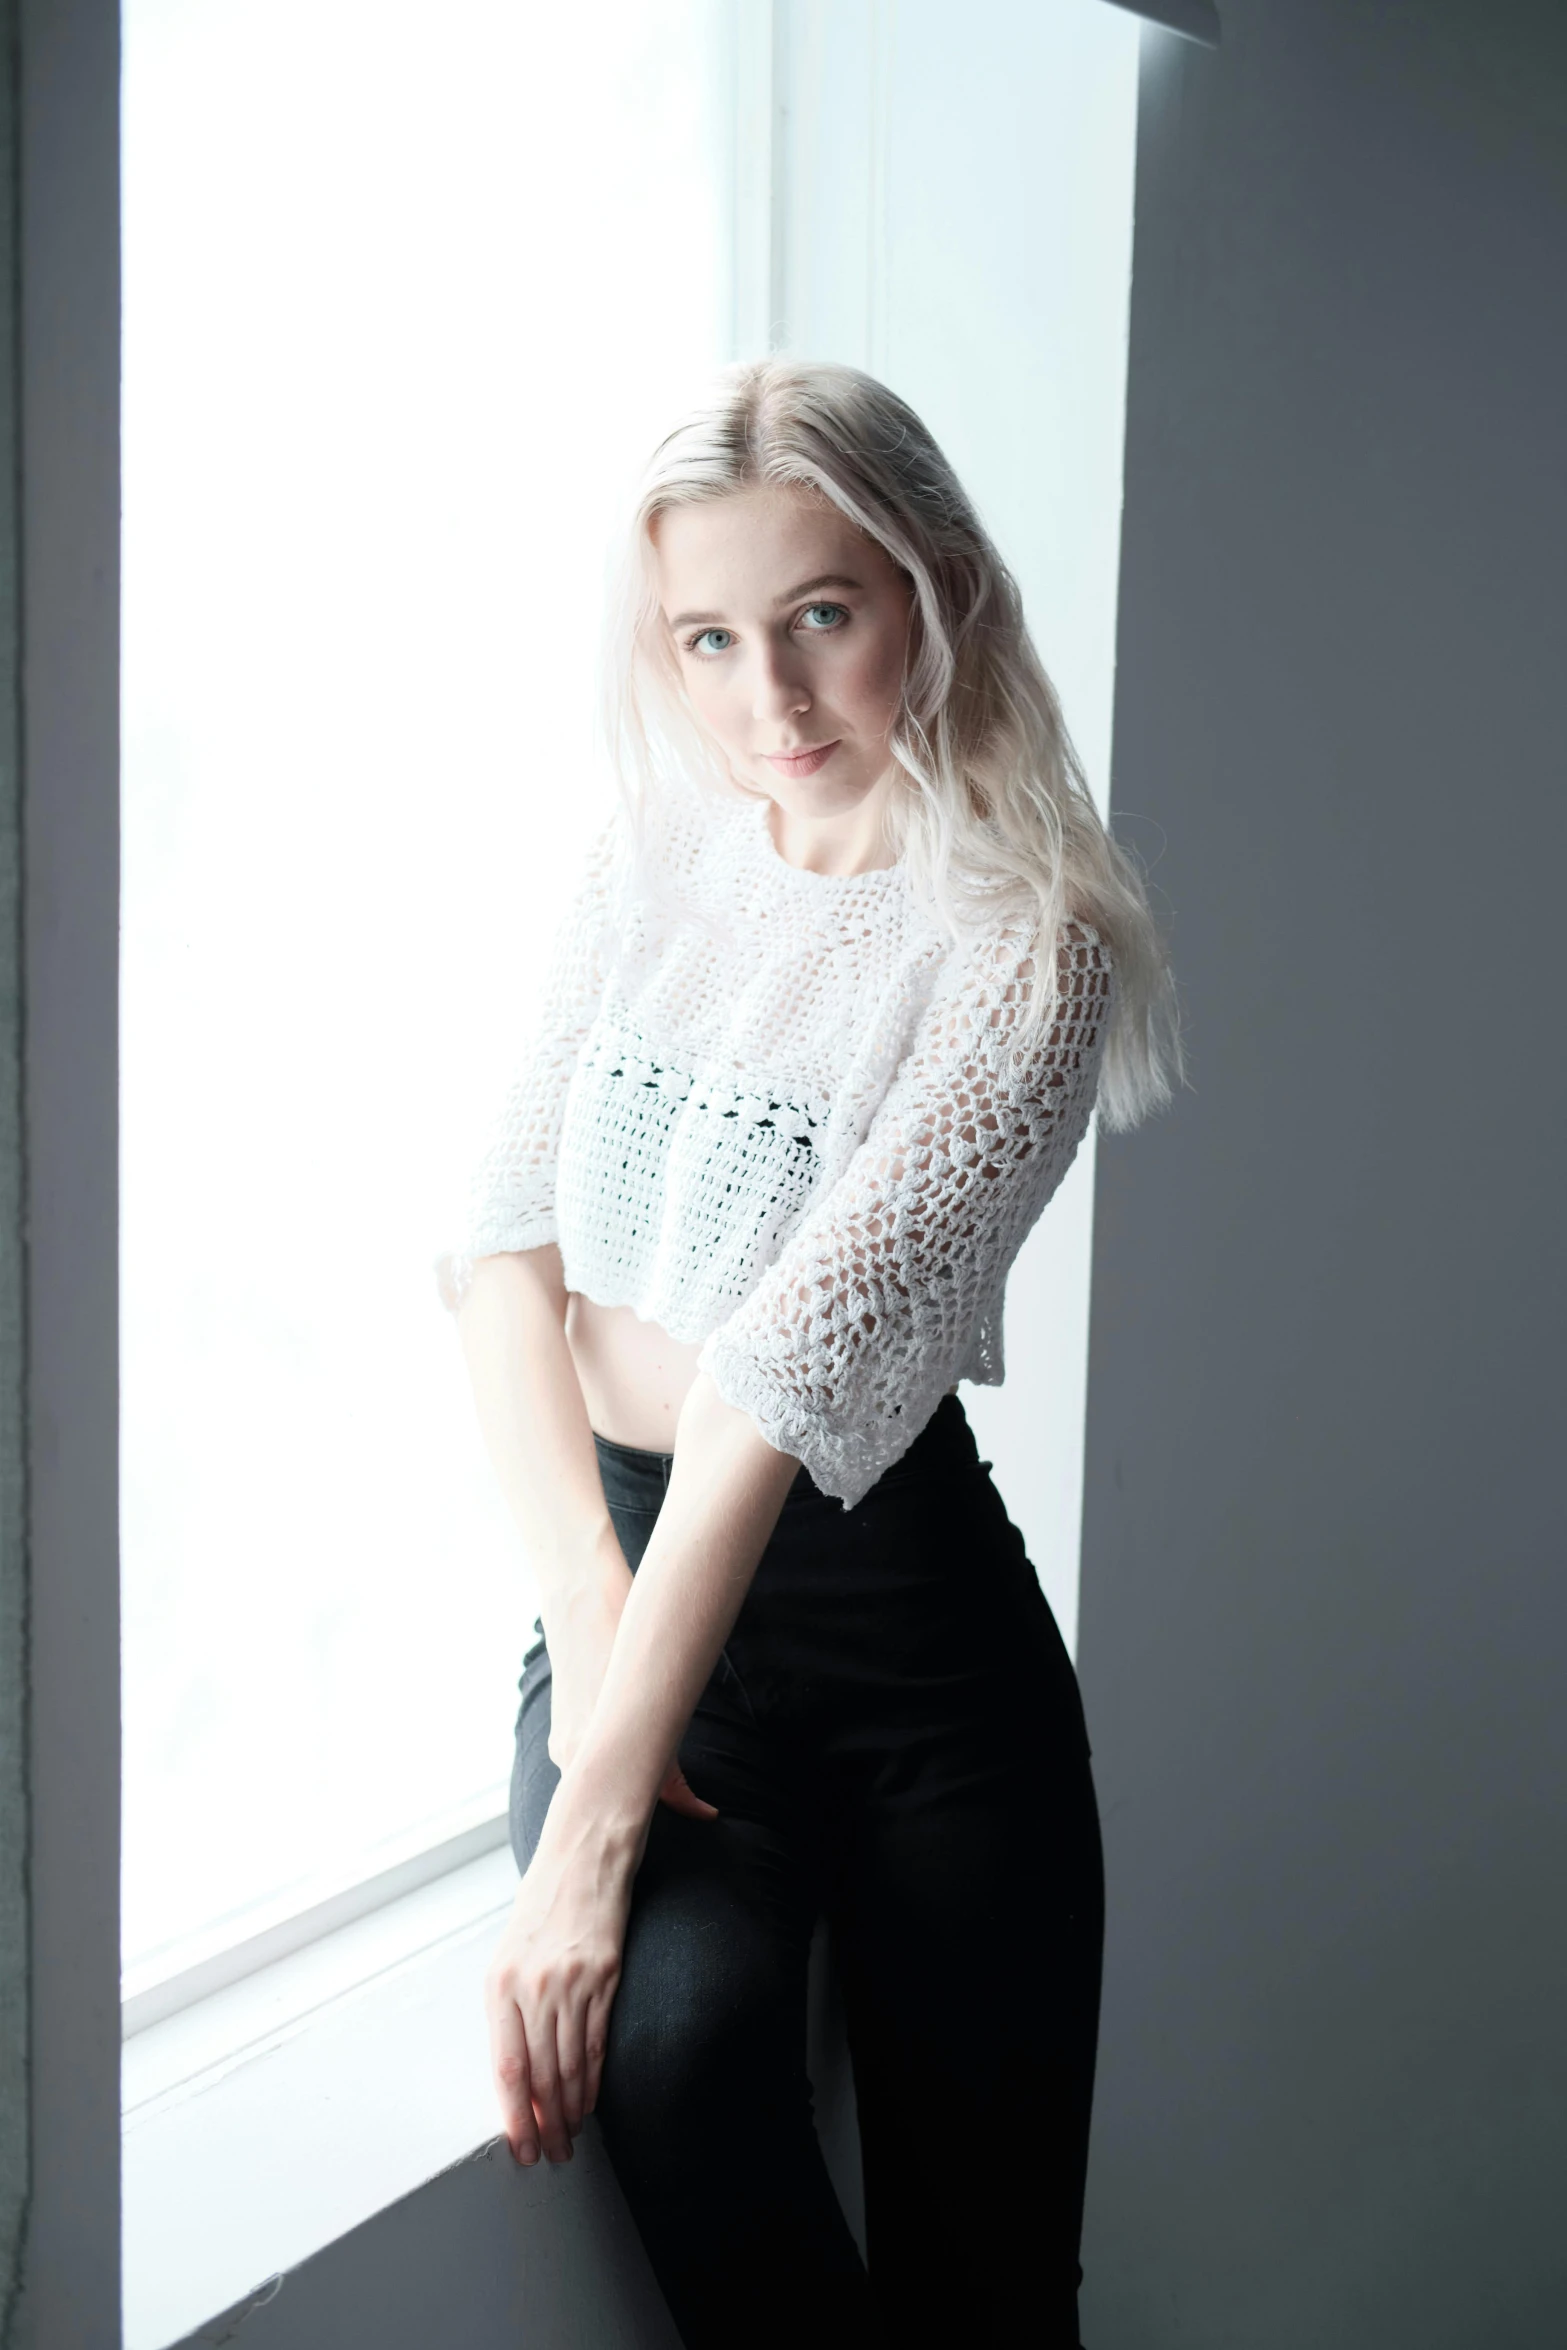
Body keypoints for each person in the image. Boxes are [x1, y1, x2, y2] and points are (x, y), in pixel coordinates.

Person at [440, 357, 1180, 2349]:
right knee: (672, 2065)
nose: (768, 701)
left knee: (994, 2288)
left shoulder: (1029, 943)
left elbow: (781, 1379)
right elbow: (495, 1251)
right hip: (640, 1585)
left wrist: (590, 1826)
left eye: (822, 619)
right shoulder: (648, 859)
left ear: (936, 586)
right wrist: (597, 1656)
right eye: (709, 638)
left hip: (914, 1646)